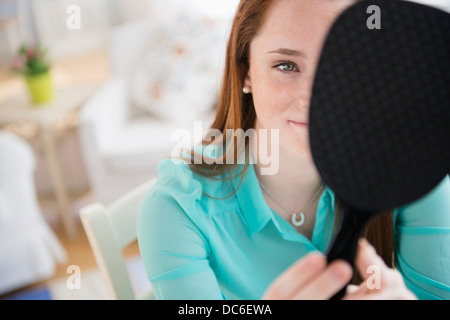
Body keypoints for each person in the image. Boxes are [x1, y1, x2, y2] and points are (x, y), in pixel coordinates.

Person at [137, 0, 450, 300]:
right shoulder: (177, 209)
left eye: (345, 66)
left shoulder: (414, 170)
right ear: (246, 70)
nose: (313, 99)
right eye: (286, 65)